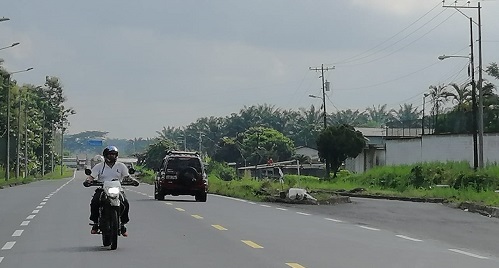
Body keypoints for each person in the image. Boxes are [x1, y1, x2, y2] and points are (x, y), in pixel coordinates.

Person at [85, 145, 131, 237]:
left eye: (114, 154)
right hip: (103, 188)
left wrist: (133, 181)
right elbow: (92, 176)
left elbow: (127, 176)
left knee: (125, 202)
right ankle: (95, 223)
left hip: (118, 189)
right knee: (95, 201)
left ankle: (122, 225)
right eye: (110, 154)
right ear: (105, 155)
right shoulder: (99, 166)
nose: (112, 156)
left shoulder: (121, 166)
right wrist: (88, 180)